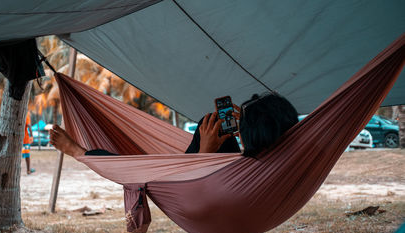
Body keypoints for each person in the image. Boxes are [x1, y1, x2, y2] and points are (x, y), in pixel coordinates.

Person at [50, 92, 298, 158]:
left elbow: (198, 191)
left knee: (130, 164)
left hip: (189, 180)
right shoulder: (286, 148)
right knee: (209, 123)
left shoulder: (251, 170)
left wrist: (206, 152)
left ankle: (78, 152)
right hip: (240, 156)